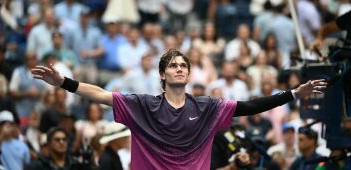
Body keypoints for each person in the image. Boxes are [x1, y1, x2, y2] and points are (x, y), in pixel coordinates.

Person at [31, 49, 327, 169]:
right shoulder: (143, 105)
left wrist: (292, 93)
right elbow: (100, 95)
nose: (179, 69)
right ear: (162, 74)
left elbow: (249, 106)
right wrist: (64, 82)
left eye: (184, 65)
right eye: (173, 65)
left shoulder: (208, 107)